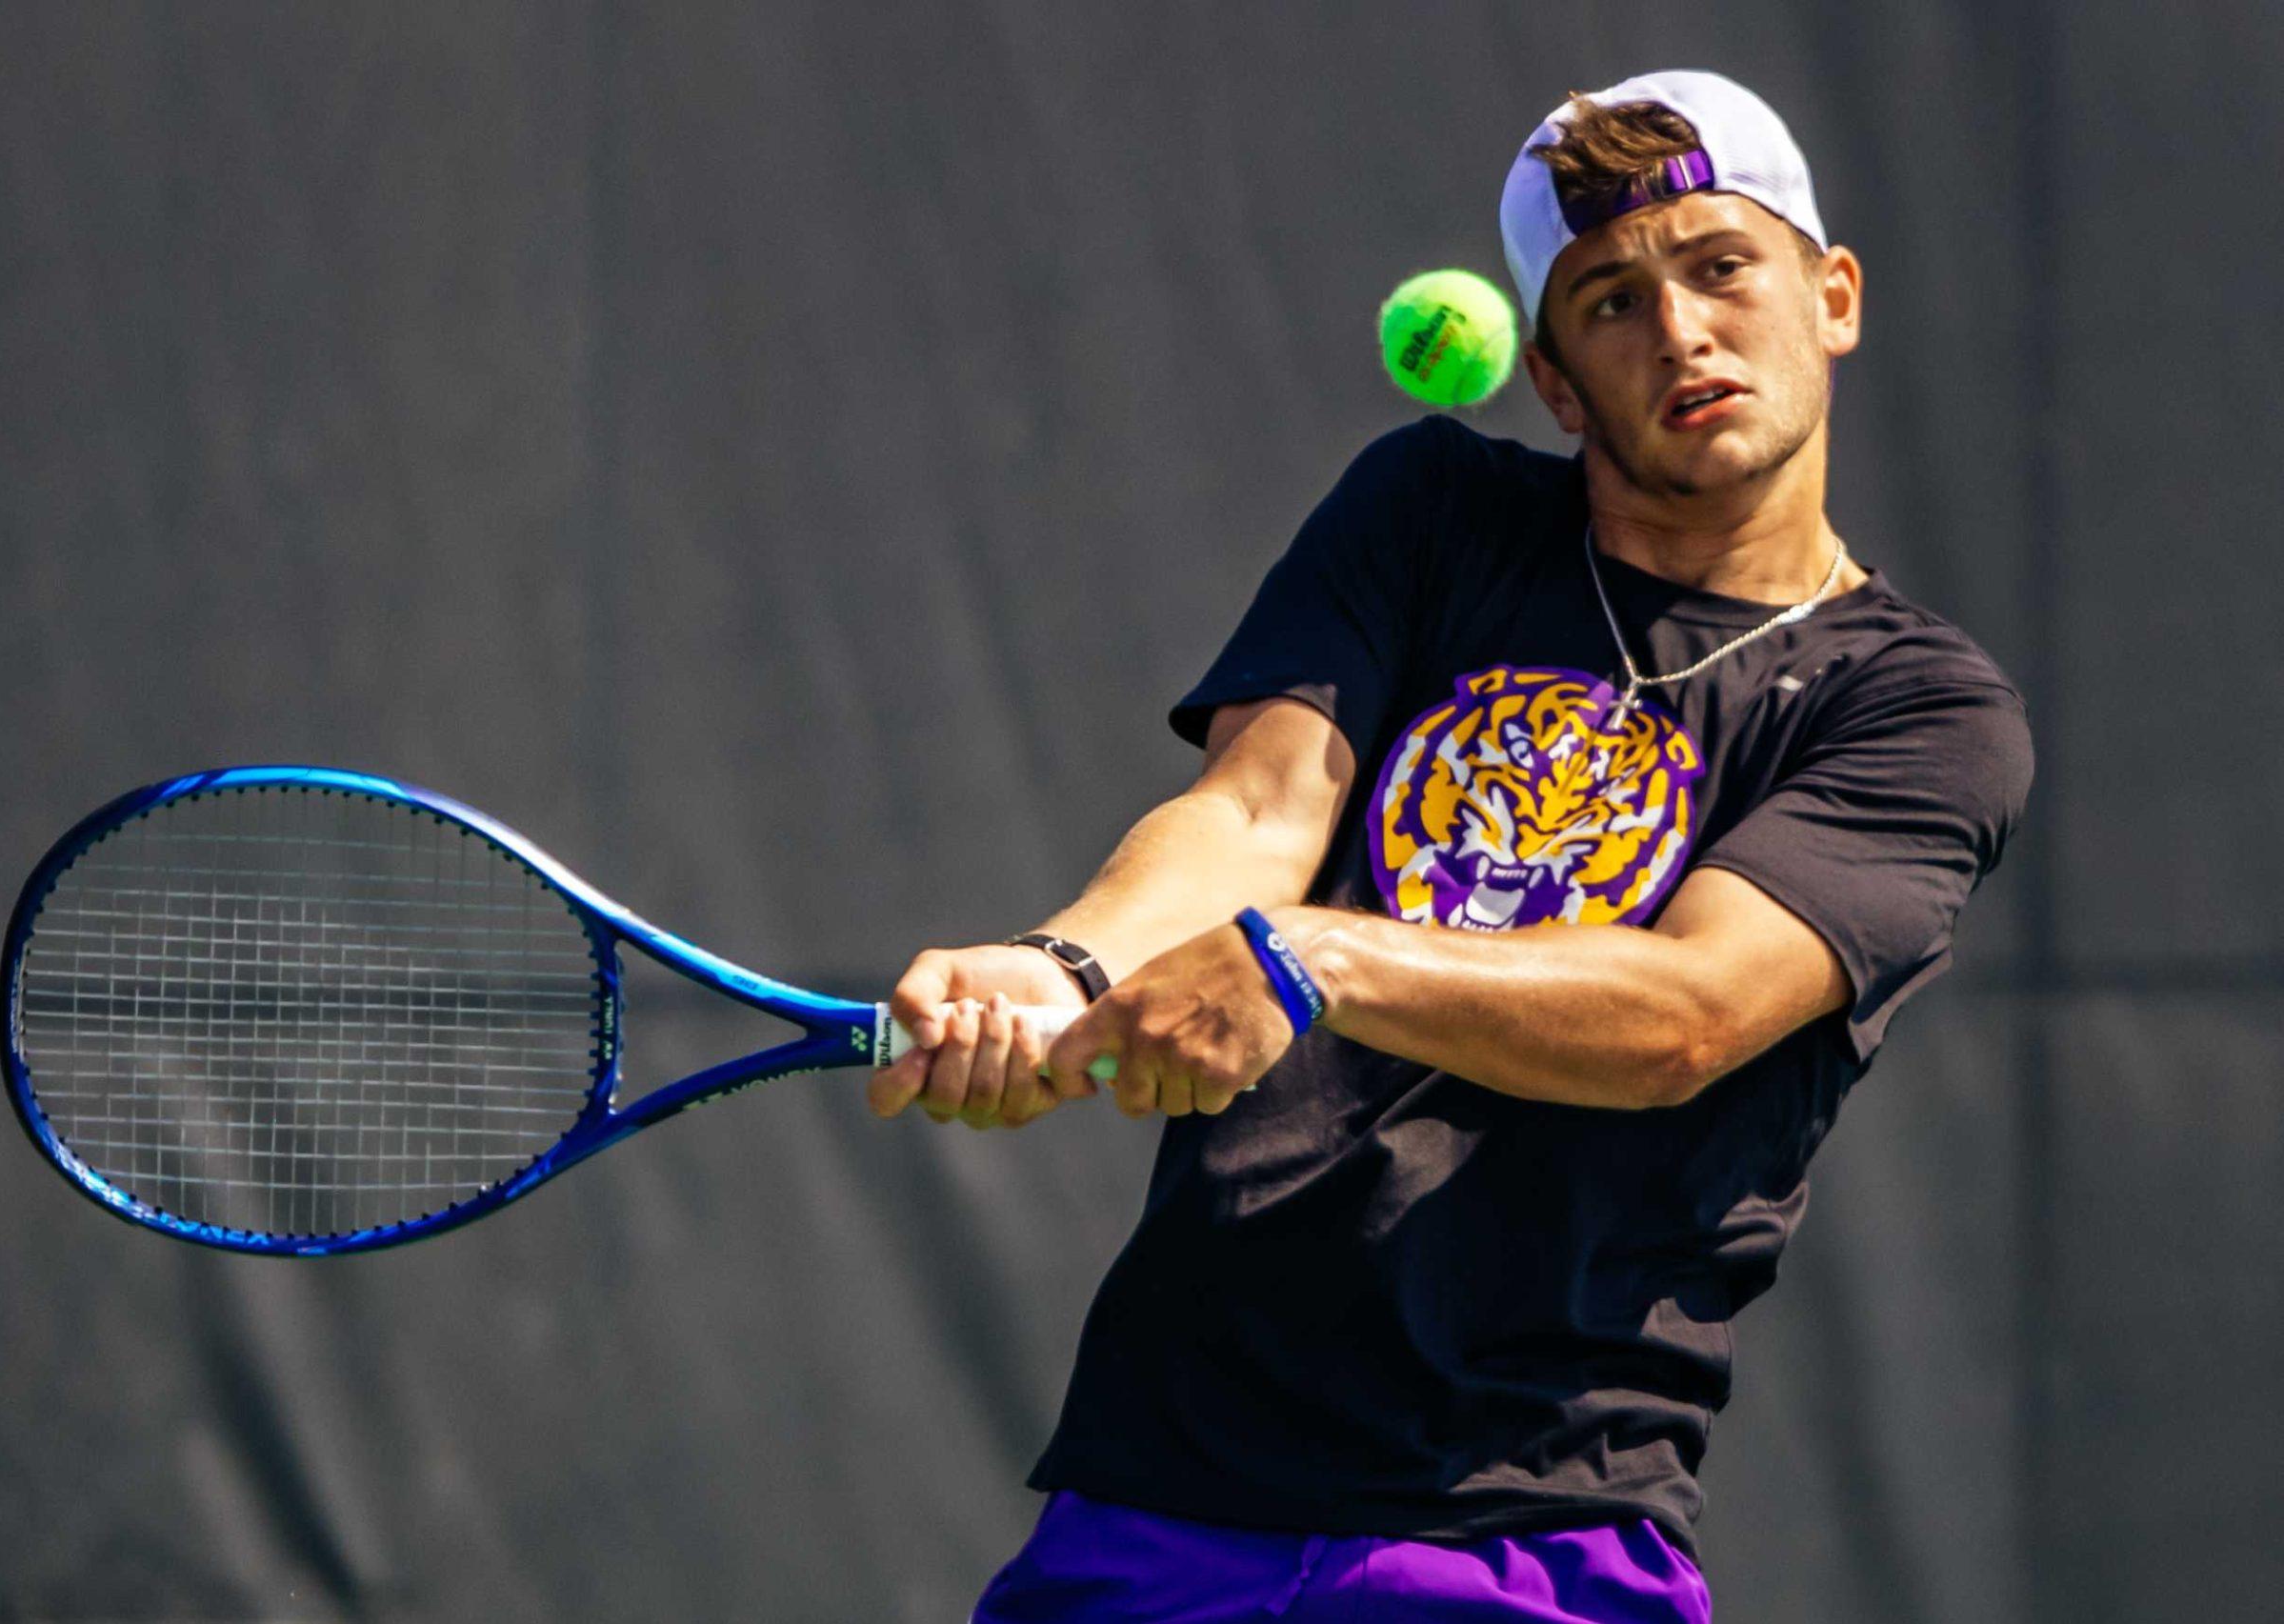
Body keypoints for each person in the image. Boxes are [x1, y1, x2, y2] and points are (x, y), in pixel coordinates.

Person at [869, 69, 2034, 1623]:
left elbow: (1682, 1016)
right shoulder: (1432, 514)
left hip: (1526, 1526)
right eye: (1612, 300)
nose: (1680, 329)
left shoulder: (1917, 704)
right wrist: (1064, 956)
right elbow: (1259, 811)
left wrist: (1311, 958)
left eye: (1720, 268)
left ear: (1832, 295)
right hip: (1163, 1487)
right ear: (1555, 385)